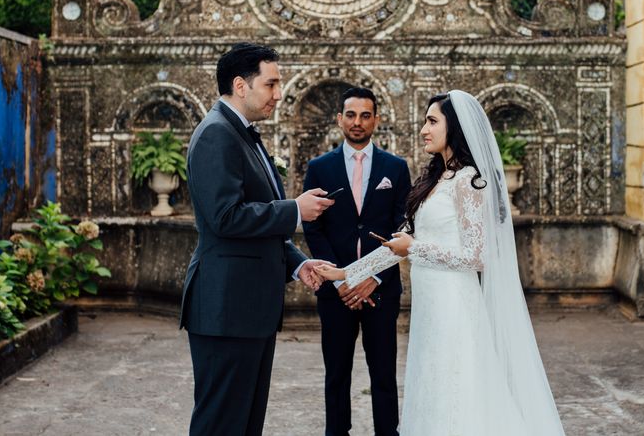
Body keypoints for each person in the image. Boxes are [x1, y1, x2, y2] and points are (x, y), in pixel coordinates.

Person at [315, 90, 565, 435]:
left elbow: (476, 257)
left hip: (454, 304)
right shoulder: (436, 179)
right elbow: (398, 242)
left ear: (455, 127)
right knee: (430, 382)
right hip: (430, 305)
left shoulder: (469, 182)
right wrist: (347, 272)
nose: (423, 130)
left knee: (455, 386)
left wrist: (414, 249)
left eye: (432, 121)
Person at [180, 42, 335, 436]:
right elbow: (226, 218)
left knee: (245, 424)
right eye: (271, 84)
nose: (279, 94)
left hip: (248, 311)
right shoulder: (217, 134)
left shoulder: (242, 133)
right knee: (221, 424)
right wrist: (295, 210)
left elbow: (255, 227)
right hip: (226, 310)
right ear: (240, 85)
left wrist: (298, 263)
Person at [303, 87, 411, 436]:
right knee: (336, 373)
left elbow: (402, 228)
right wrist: (342, 279)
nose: (358, 122)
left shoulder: (395, 168)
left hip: (381, 288)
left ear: (376, 120)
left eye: (366, 115)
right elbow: (314, 229)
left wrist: (372, 277)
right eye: (351, 115)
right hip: (336, 291)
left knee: (383, 373)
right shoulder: (319, 168)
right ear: (339, 119)